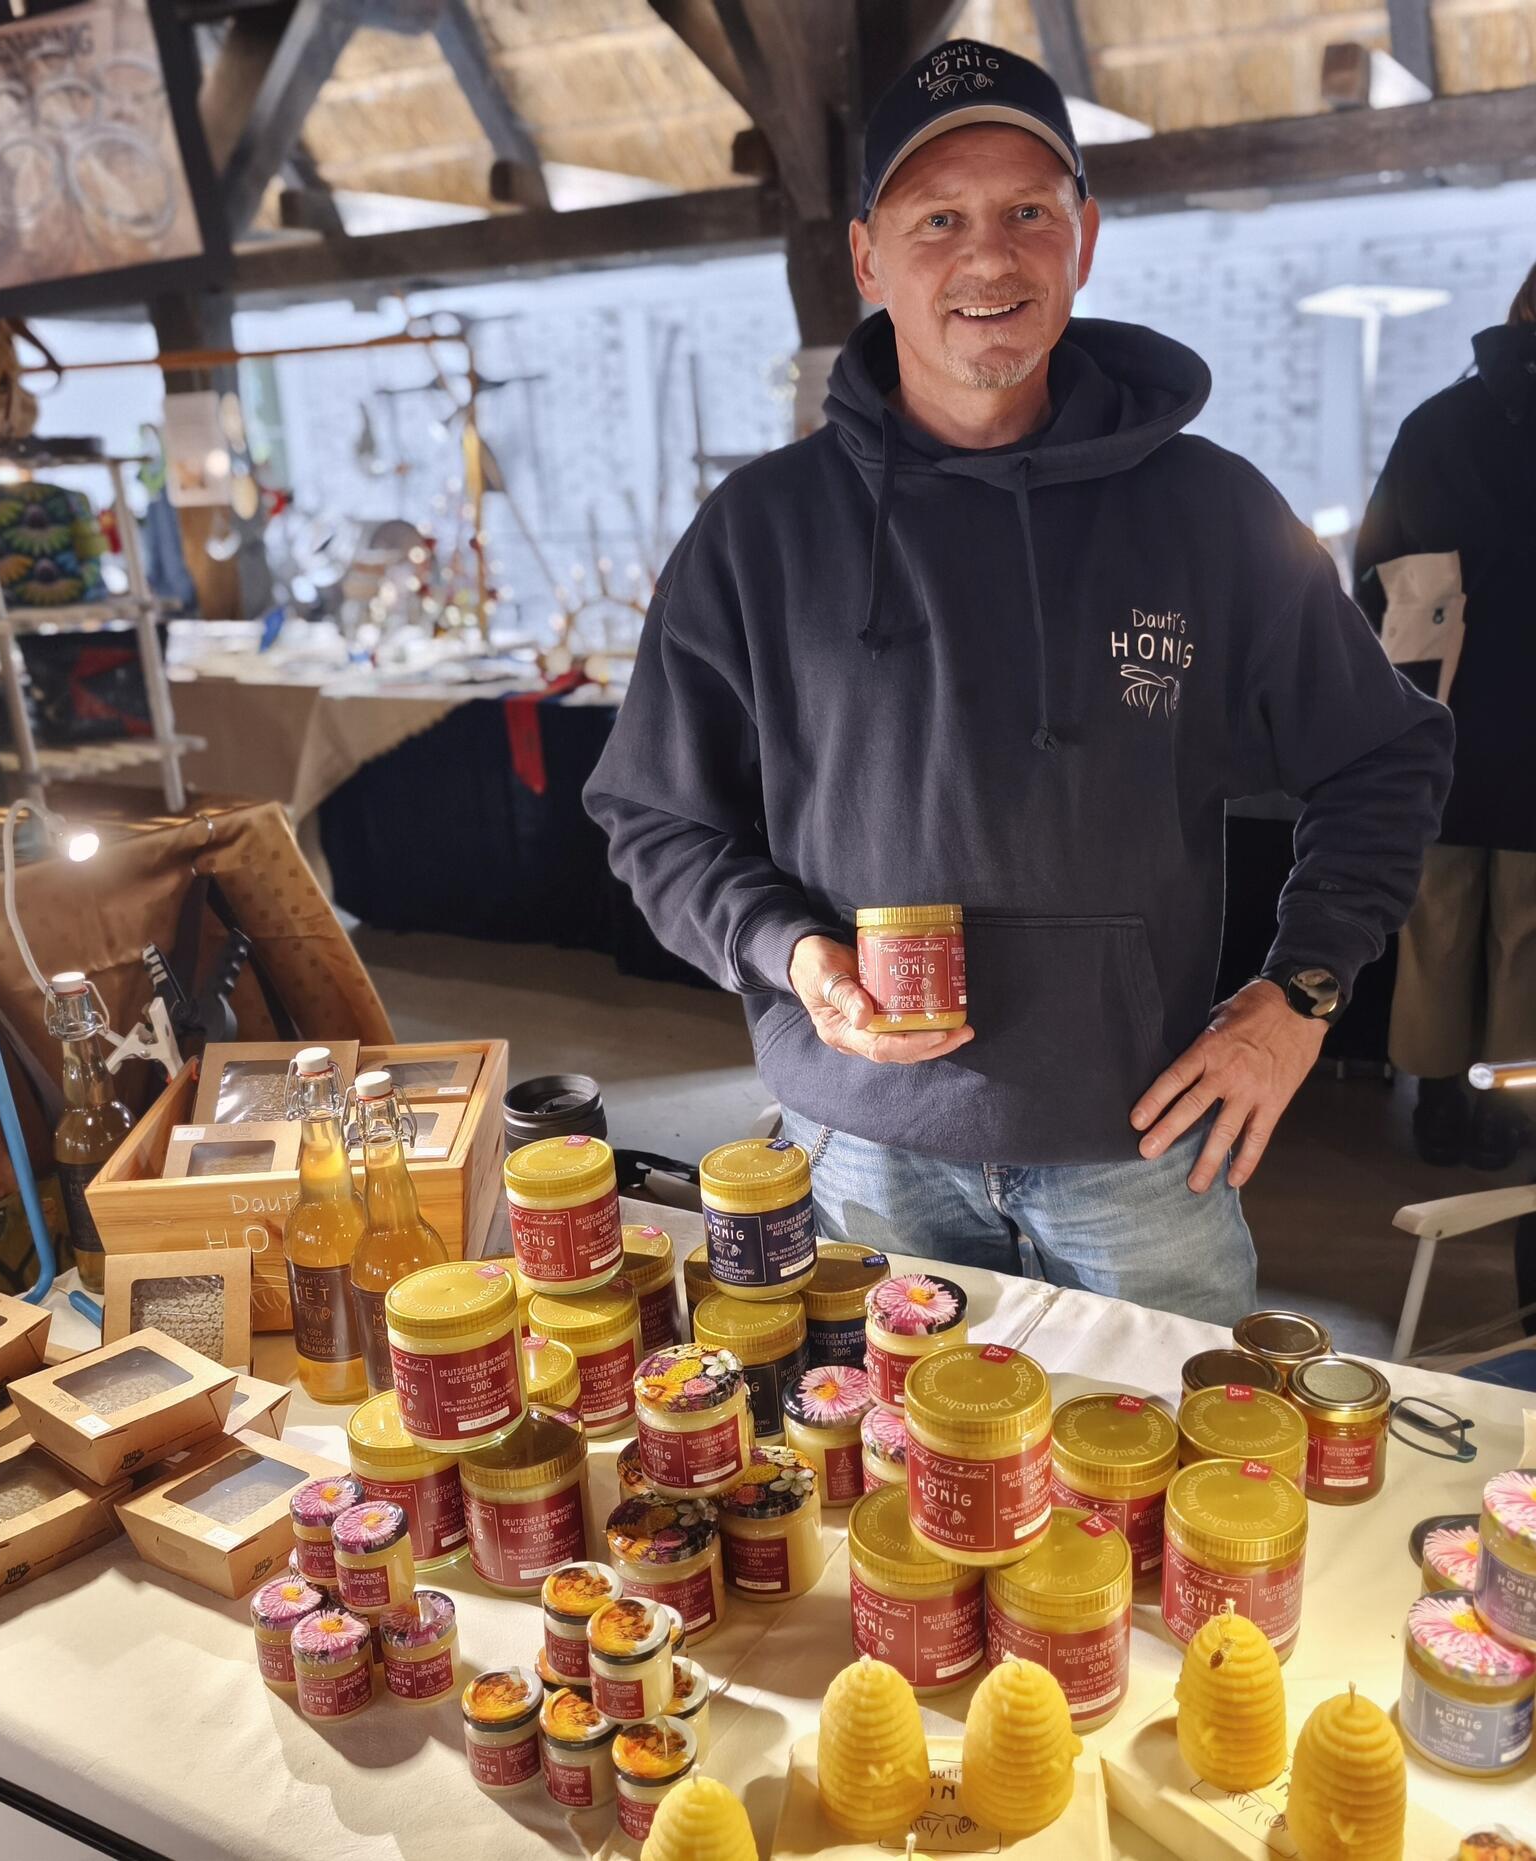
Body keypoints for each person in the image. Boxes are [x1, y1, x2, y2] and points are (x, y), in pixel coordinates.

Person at [584, 38, 1452, 1322]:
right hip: (857, 1155)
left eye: (1026, 213)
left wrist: (1300, 995)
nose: (988, 259)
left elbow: (1385, 754)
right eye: (939, 219)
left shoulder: (1212, 509)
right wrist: (792, 954)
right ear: (868, 256)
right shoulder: (758, 532)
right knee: (887, 1488)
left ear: (1083, 240)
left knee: (1170, 1496)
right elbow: (654, 816)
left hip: (1143, 1150)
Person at [1355, 265, 1536, 1173]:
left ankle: (1431, 1101)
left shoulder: (1438, 422)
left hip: (1445, 704)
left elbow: (1373, 564)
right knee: (1527, 927)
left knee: (1439, 908)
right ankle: (1507, 1107)